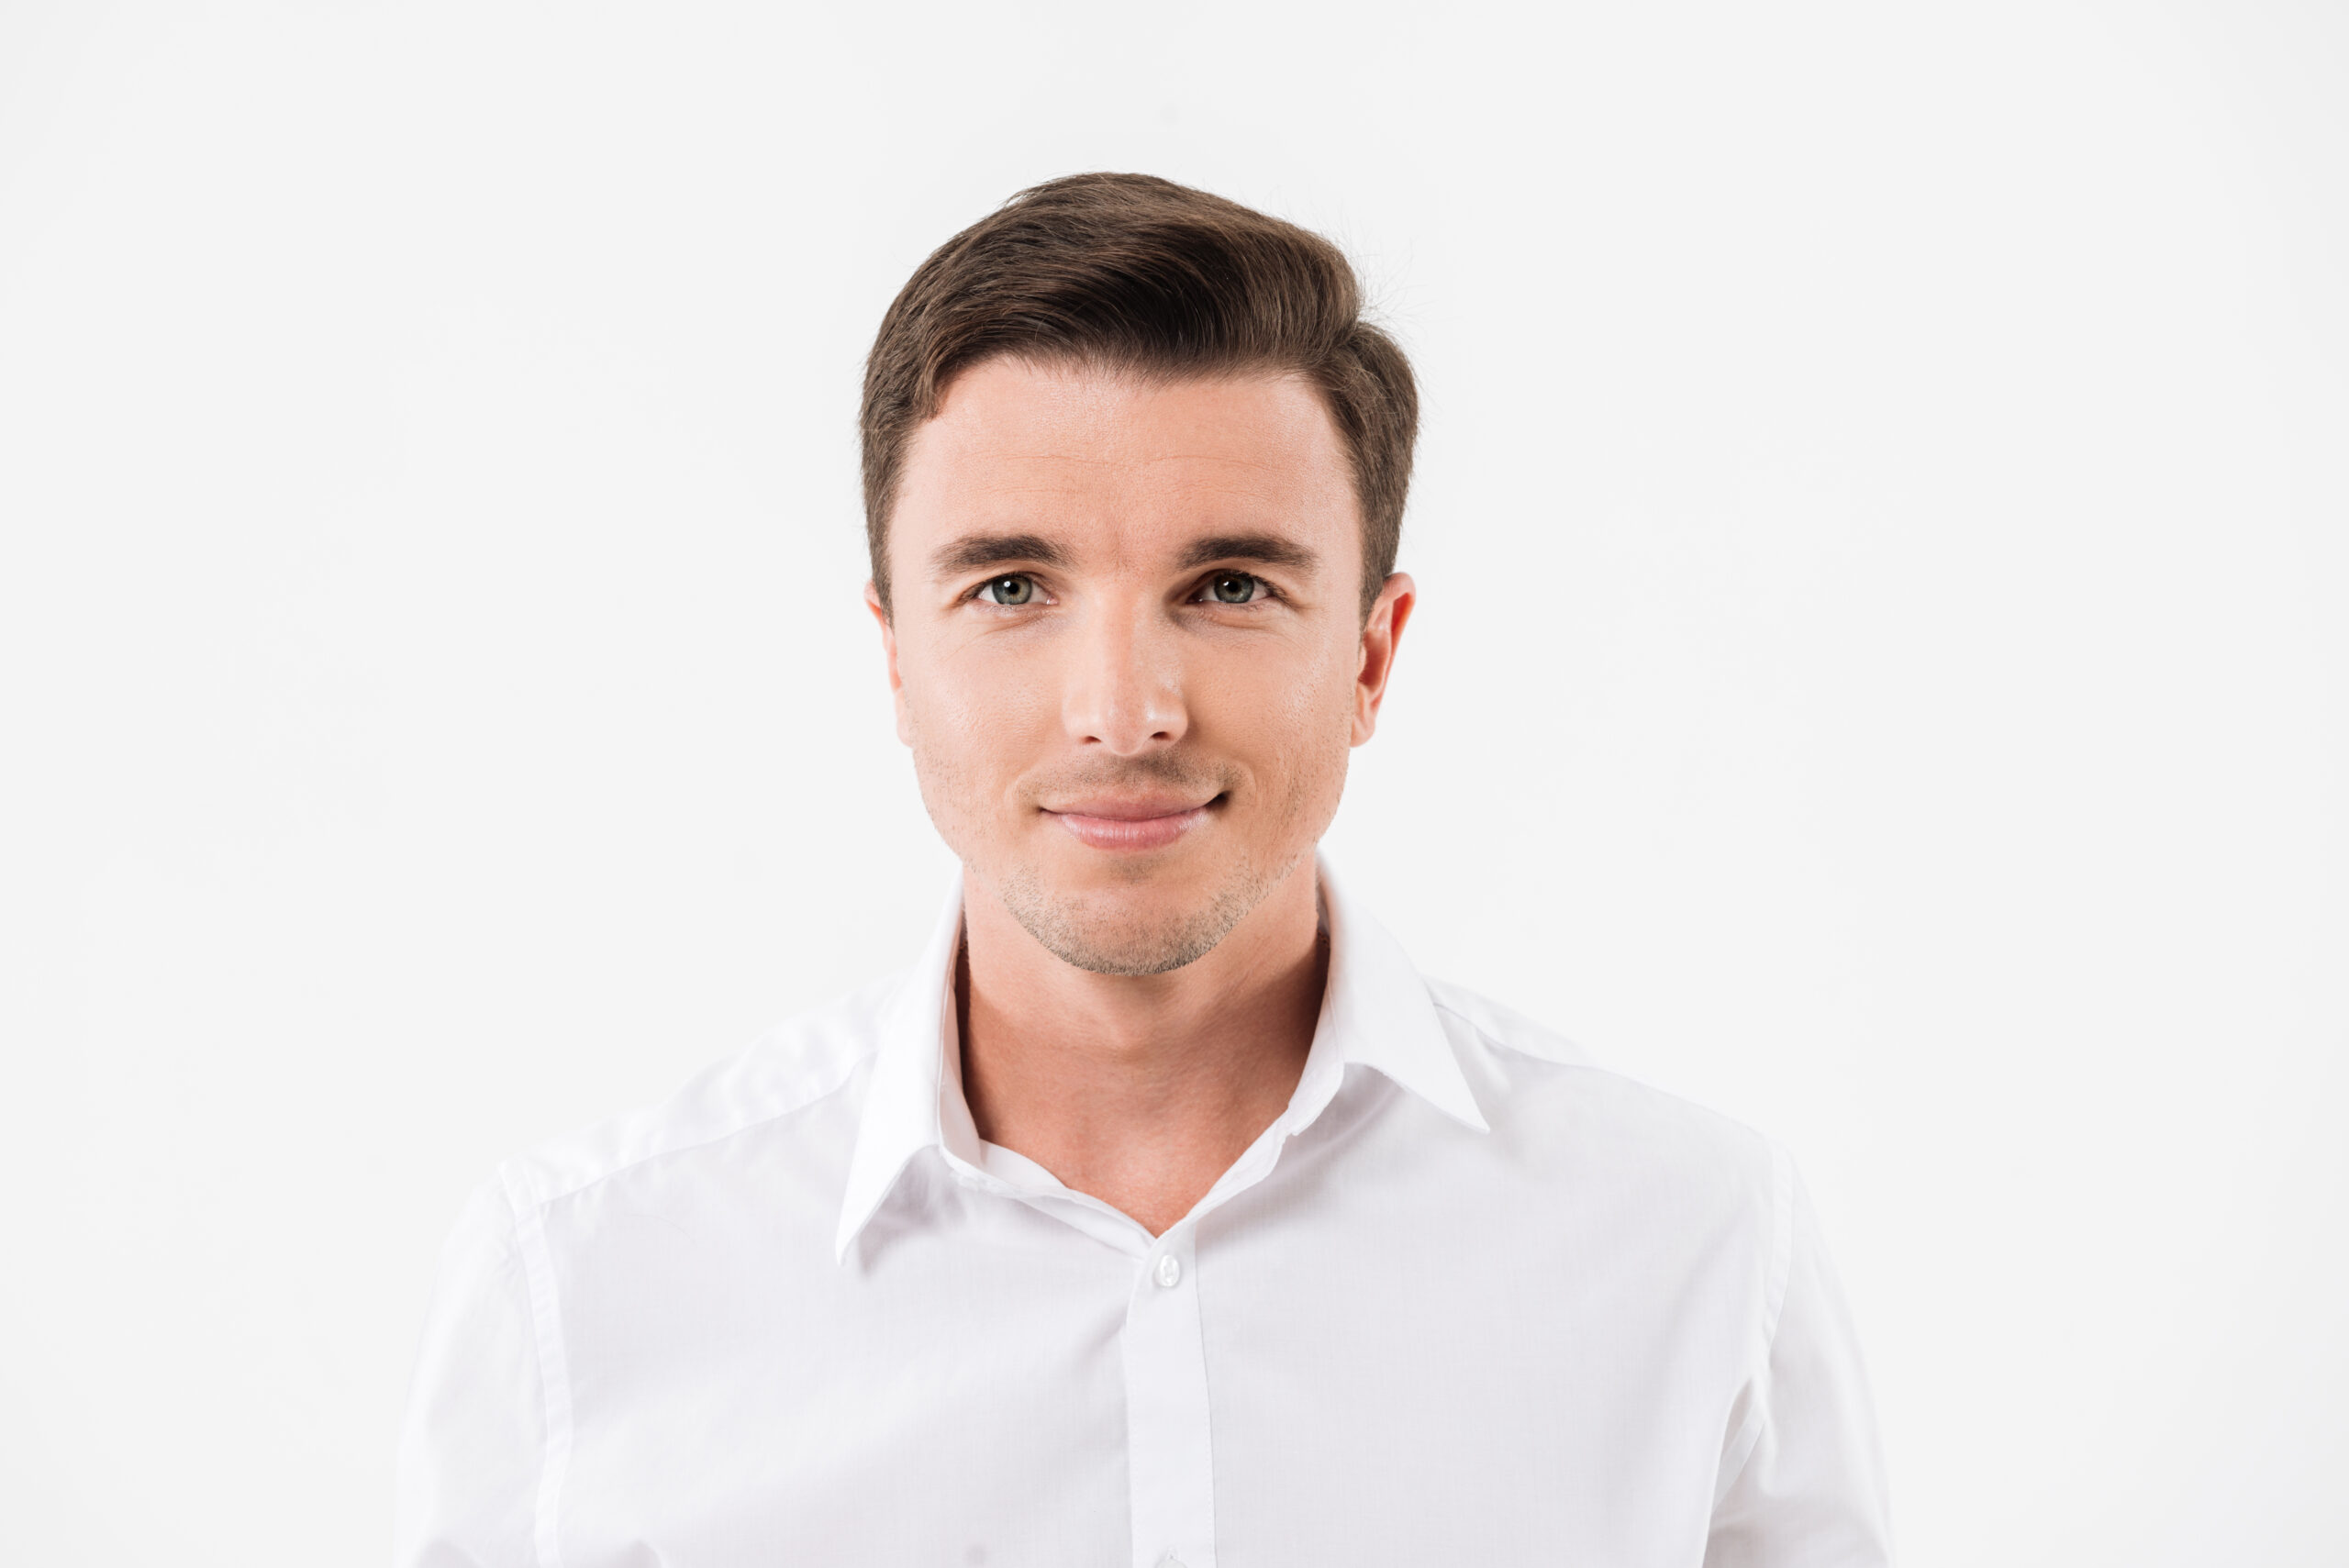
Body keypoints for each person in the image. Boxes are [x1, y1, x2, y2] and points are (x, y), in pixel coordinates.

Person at [395, 172, 1893, 1568]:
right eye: (1012, 587)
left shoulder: (1689, 1245)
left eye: (1229, 585)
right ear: (897, 661)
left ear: (1371, 656)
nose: (1125, 710)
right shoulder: (586, 1287)